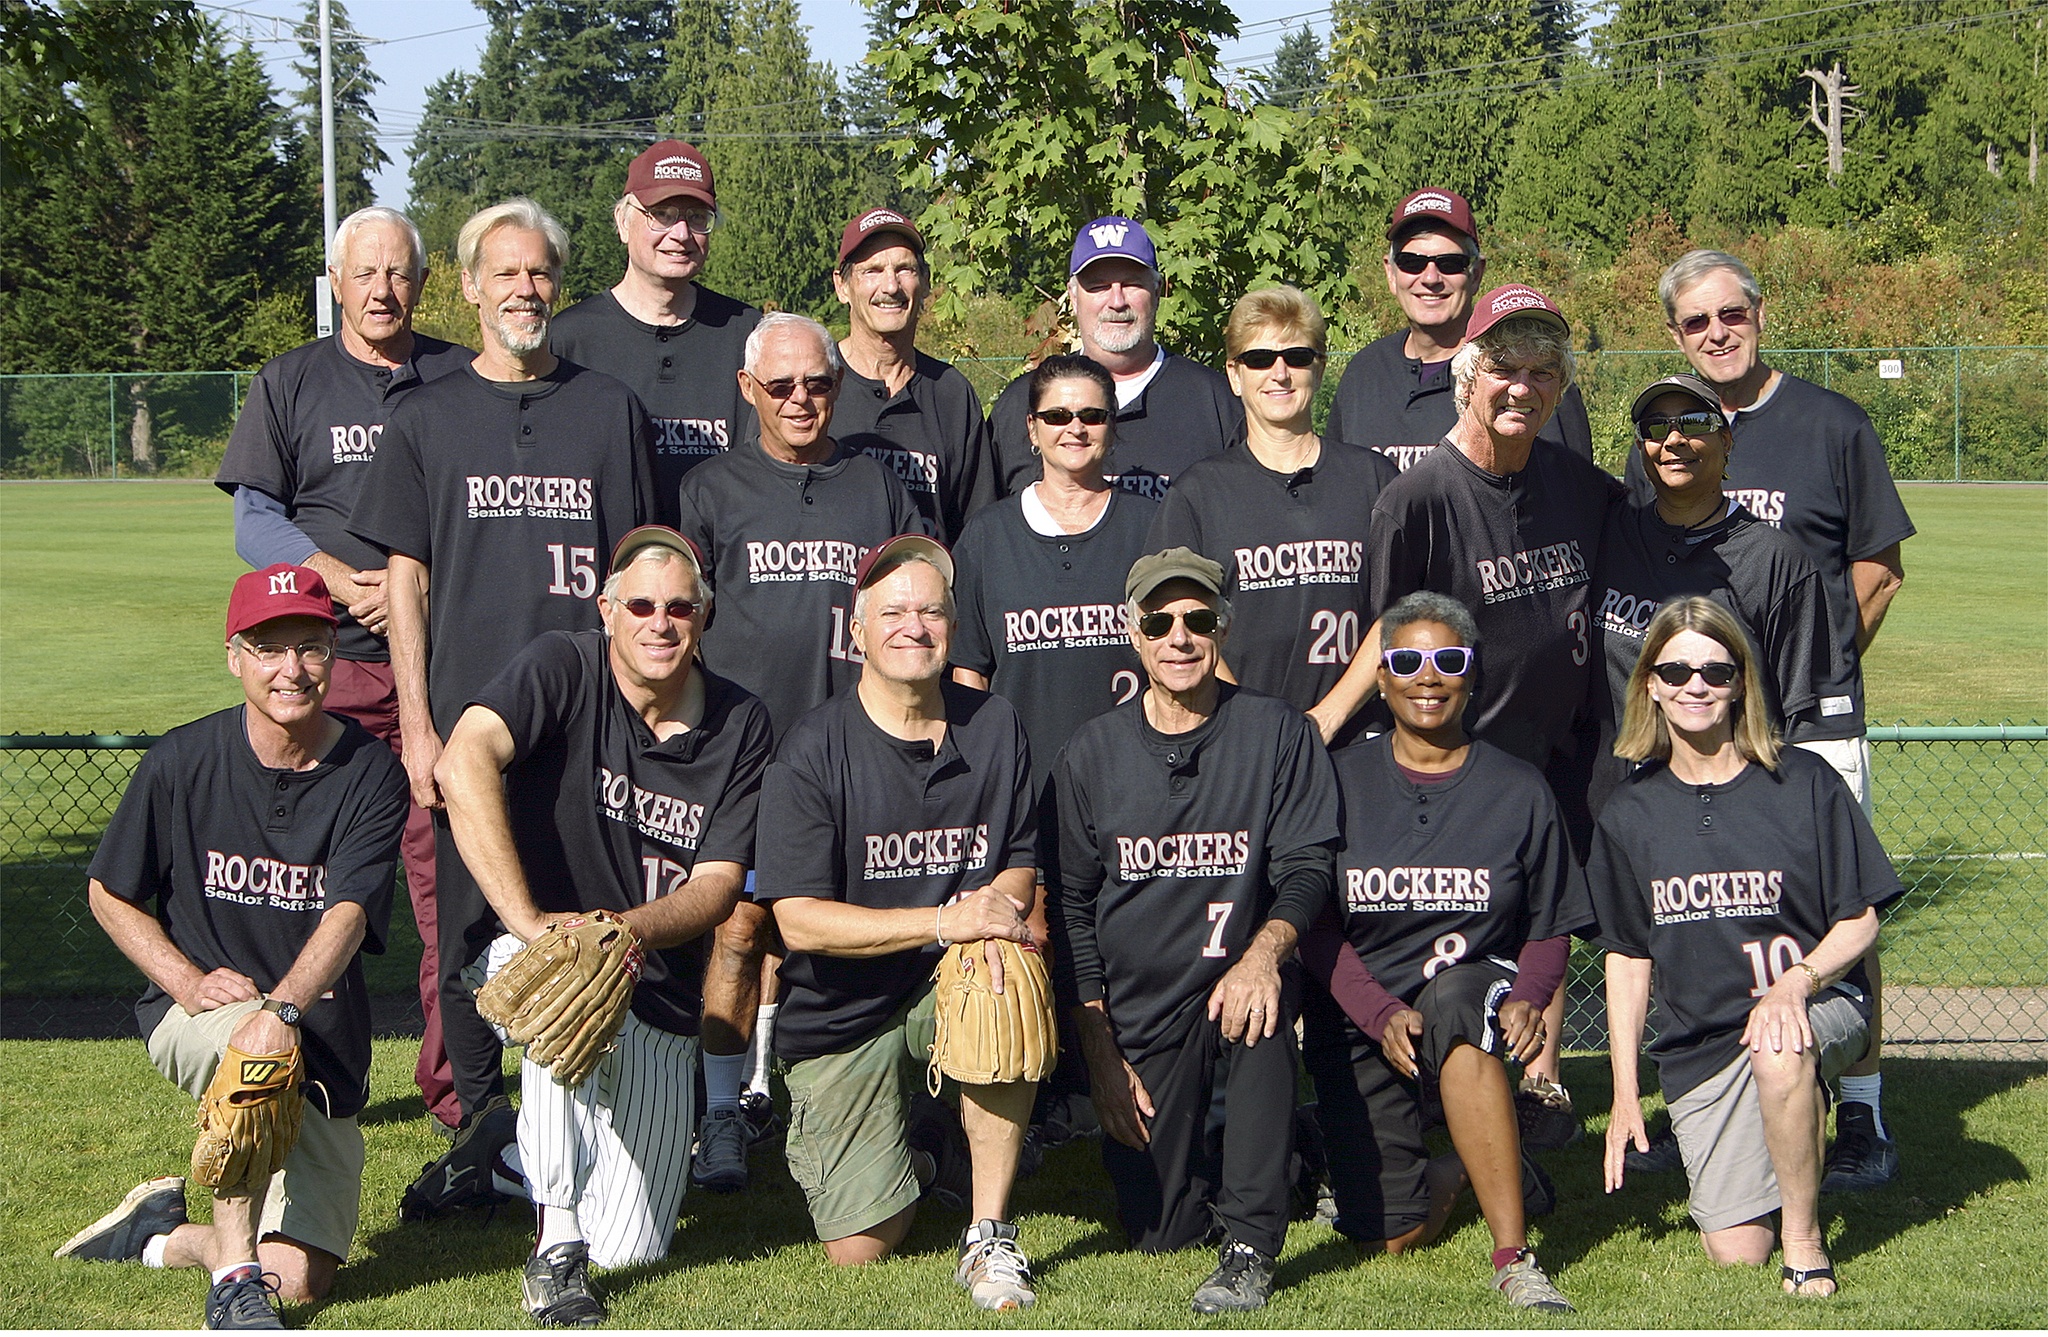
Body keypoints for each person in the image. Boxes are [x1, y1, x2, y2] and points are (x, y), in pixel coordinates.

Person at [348, 196, 658, 1214]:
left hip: (582, 725)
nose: (524, 289)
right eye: (506, 272)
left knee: (577, 911)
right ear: (471, 287)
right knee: (468, 927)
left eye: (540, 274)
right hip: (466, 726)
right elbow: (404, 579)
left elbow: (634, 571)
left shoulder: (606, 409)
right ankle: (482, 1127)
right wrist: (420, 722)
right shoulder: (425, 414)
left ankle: (585, 1110)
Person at [1625, 250, 1916, 1192]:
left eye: (1729, 314)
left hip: (1812, 717)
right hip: (1704, 729)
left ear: (1759, 312)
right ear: (1676, 335)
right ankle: (1706, 1095)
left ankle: (1863, 1109)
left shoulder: (1831, 421)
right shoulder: (1667, 430)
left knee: (1836, 911)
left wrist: (1799, 683)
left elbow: (1874, 571)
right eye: (1695, 322)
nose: (1716, 332)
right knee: (1709, 904)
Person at [436, 527, 772, 1325]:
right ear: (607, 611)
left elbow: (721, 885)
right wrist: (533, 921)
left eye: (680, 606)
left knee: (635, 1246)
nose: (660, 621)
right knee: (569, 969)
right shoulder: (564, 663)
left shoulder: (740, 721)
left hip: (653, 987)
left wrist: (620, 932)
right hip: (535, 953)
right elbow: (462, 758)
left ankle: (507, 1157)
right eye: (642, 605)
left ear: (706, 615)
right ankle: (555, 1246)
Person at [55, 565, 405, 1330]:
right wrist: (182, 978)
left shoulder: (372, 773)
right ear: (234, 657)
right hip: (201, 1016)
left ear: (335, 653)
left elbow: (348, 911)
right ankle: (235, 1286)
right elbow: (109, 893)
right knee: (257, 1058)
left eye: (311, 647)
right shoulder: (183, 760)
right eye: (269, 647)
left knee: (305, 1278)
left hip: (318, 1034)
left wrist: (283, 1006)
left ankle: (157, 1233)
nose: (292, 669)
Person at [1311, 283, 1619, 1141]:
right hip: (1467, 762)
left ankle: (1542, 1086)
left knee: (1550, 924)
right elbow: (1388, 634)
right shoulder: (1422, 497)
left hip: (1562, 752)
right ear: (1468, 376)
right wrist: (1333, 719)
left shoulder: (1580, 487)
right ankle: (1443, 1102)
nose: (1522, 387)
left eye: (1541, 372)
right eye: (1504, 369)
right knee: (1466, 941)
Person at [214, 206, 472, 1136]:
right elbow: (253, 520)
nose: (381, 290)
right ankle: (319, 1082)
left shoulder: (457, 374)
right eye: (363, 274)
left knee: (444, 888)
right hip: (325, 677)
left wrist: (411, 594)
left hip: (438, 678)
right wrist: (333, 579)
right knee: (323, 894)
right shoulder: (291, 382)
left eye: (398, 273)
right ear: (335, 282)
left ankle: (456, 1095)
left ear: (422, 279)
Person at [755, 536, 1043, 1311]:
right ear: (856, 631)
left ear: (952, 625)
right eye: (893, 611)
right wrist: (949, 919)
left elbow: (1018, 857)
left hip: (951, 984)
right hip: (841, 1015)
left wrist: (996, 916)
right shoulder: (812, 750)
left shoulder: (995, 723)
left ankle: (989, 1232)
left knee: (1004, 971)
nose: (913, 625)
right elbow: (800, 920)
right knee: (861, 1247)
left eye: (930, 610)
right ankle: (928, 1144)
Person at [671, 311, 925, 1190]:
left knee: (839, 935)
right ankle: (719, 1110)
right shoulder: (709, 489)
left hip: (857, 747)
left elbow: (917, 605)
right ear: (748, 390)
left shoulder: (878, 485)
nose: (800, 399)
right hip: (748, 749)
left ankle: (805, 1097)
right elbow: (680, 626)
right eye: (780, 385)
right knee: (740, 930)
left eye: (816, 382)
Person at [1050, 548, 1339, 1314]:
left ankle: (1250, 1246)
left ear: (1222, 628)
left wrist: (1265, 950)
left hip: (1234, 988)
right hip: (1142, 1017)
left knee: (1260, 1003)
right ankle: (1294, 1149)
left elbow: (1308, 866)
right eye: (1160, 620)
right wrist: (1100, 1051)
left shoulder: (1277, 731)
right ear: (1132, 631)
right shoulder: (1089, 754)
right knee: (1160, 1228)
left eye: (1199, 619)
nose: (1180, 636)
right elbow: (1072, 910)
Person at [1592, 596, 1901, 1298]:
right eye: (1674, 669)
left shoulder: (1804, 784)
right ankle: (1788, 1128)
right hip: (1702, 1045)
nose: (1694, 685)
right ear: (1649, 683)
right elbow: (1628, 955)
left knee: (1780, 1045)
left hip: (1813, 1008)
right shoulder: (1629, 813)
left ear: (1742, 682)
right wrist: (1622, 1092)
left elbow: (1860, 920)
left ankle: (1805, 1239)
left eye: (1715, 670)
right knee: (1736, 1253)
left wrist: (1799, 981)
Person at [1296, 592, 1590, 1314]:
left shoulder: (1517, 786)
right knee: (1390, 1237)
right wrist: (1377, 1013)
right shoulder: (1338, 784)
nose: (1428, 677)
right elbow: (1316, 927)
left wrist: (1528, 994)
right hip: (1370, 1013)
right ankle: (1470, 1159)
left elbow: (1554, 921)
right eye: (1406, 661)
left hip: (1469, 995)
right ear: (1383, 679)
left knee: (1461, 1001)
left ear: (1472, 673)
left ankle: (1514, 1256)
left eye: (1447, 660)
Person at [1149, 286, 1399, 745]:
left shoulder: (1374, 479)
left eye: (1297, 357)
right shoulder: (1198, 493)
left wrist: (1329, 716)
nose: (1279, 373)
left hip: (1360, 740)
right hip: (1240, 744)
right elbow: (1176, 623)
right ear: (1234, 374)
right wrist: (1253, 724)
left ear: (1319, 368)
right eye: (1260, 358)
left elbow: (1401, 611)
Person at [1588, 373, 1835, 820]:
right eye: (1656, 427)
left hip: (1730, 817)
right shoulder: (1608, 534)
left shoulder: (1774, 560)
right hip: (1616, 816)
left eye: (1694, 422)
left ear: (1726, 441)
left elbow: (1801, 720)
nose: (1675, 440)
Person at [551, 139, 760, 505]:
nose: (680, 234)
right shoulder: (568, 341)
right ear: (622, 222)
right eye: (662, 214)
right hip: (612, 559)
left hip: (719, 557)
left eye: (696, 218)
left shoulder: (748, 334)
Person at [1324, 189, 1593, 472]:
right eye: (1412, 263)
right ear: (1391, 273)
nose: (1430, 278)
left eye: (1450, 264)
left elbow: (1574, 502)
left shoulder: (1531, 379)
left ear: (1476, 273)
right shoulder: (1364, 374)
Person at [987, 216, 1243, 499]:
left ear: (1157, 292)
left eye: (1132, 284)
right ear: (1073, 297)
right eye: (1098, 286)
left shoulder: (1216, 402)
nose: (1117, 301)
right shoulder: (1022, 404)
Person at [830, 207, 998, 543]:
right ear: (842, 286)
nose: (890, 286)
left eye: (904, 269)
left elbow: (976, 531)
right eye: (872, 270)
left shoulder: (951, 394)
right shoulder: (811, 384)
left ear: (924, 281)